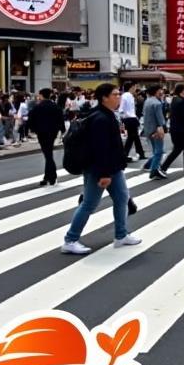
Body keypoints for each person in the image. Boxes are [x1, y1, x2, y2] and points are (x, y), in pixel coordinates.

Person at [60, 84, 140, 255]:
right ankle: (70, 239)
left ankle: (121, 234)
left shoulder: (106, 115)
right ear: (104, 97)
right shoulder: (100, 119)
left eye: (119, 94)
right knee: (89, 204)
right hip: (100, 168)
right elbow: (100, 148)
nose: (119, 97)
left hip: (112, 167)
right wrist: (104, 173)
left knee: (122, 198)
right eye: (115, 94)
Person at [28, 88, 65, 186]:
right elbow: (61, 119)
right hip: (52, 132)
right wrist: (62, 131)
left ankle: (51, 177)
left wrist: (34, 130)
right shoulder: (55, 106)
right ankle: (48, 177)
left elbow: (31, 120)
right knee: (48, 153)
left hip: (41, 133)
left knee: (48, 154)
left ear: (41, 95)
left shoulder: (37, 107)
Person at [161, 84, 184, 174]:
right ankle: (164, 167)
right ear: (181, 91)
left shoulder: (174, 99)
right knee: (179, 148)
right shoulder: (182, 101)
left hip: (175, 128)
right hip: (181, 129)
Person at [142, 85, 167, 179]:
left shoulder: (147, 101)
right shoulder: (157, 103)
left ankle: (148, 165)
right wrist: (161, 128)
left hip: (148, 128)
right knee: (159, 151)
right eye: (160, 90)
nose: (162, 92)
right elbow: (160, 118)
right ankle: (154, 170)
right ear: (157, 91)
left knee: (155, 151)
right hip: (156, 129)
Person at [119, 85, 145, 161]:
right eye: (134, 88)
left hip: (131, 117)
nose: (135, 89)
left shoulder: (129, 96)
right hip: (129, 118)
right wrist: (126, 116)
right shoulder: (125, 96)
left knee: (135, 137)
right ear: (131, 88)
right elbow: (122, 108)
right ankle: (124, 155)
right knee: (132, 137)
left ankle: (140, 153)